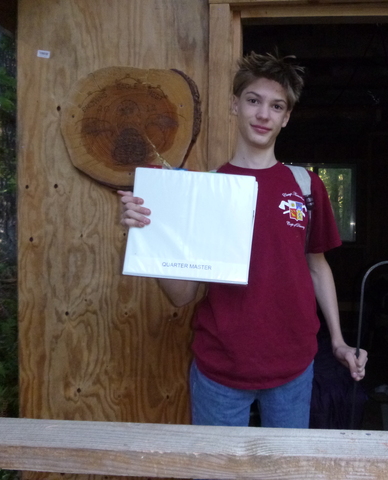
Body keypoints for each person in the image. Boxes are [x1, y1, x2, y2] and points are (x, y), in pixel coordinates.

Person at [118, 51, 368, 429]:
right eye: (253, 100)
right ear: (235, 105)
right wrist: (147, 235)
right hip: (221, 369)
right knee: (217, 463)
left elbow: (317, 267)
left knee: (283, 463)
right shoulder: (204, 190)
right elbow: (181, 295)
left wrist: (338, 340)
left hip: (293, 367)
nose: (263, 114)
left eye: (276, 106)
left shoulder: (305, 186)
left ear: (286, 117)